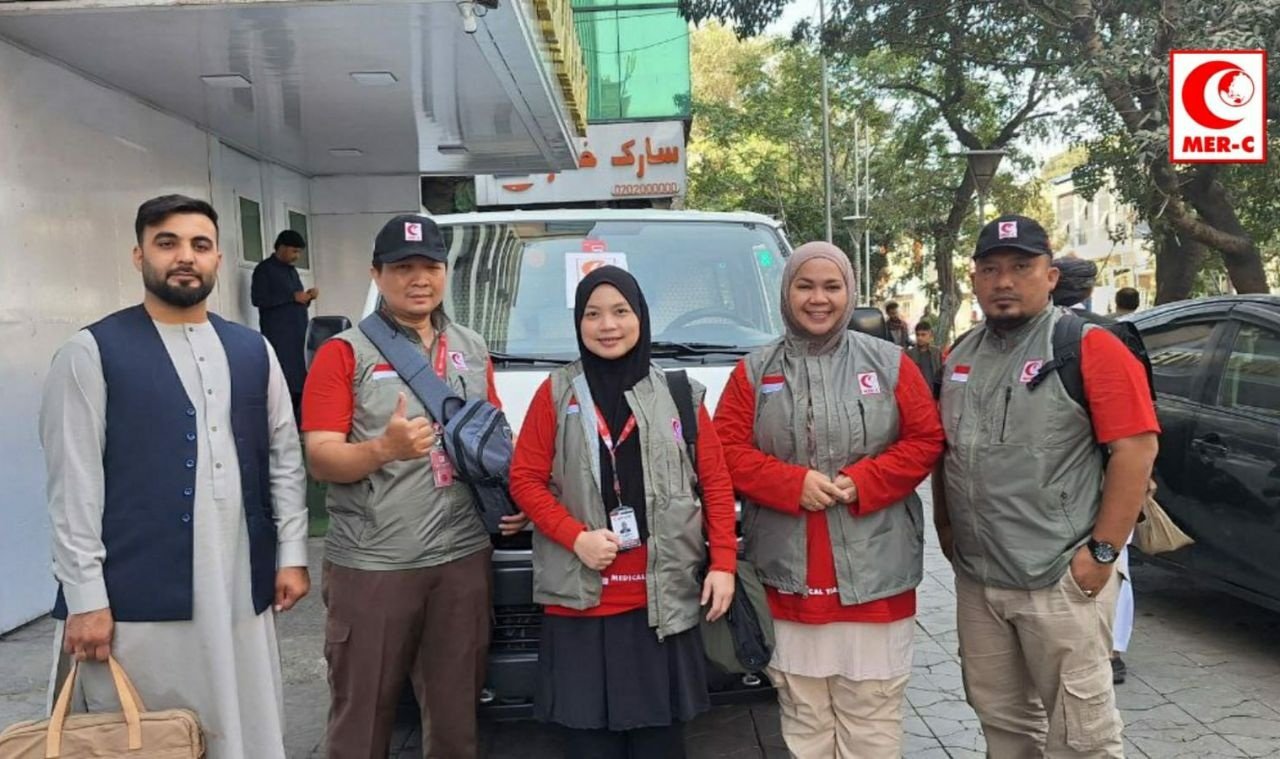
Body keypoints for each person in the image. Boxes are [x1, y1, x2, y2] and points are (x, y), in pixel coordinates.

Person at [40, 194, 310, 759]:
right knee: (147, 737)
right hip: (137, 599)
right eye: (167, 243)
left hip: (243, 587)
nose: (185, 256)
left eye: (200, 245)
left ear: (216, 259)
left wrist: (291, 553)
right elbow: (74, 488)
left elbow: (284, 456)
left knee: (247, 728)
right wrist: (86, 596)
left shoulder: (252, 350)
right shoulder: (91, 352)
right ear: (139, 256)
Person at [933, 214, 1159, 757]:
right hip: (980, 582)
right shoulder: (959, 355)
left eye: (1021, 267)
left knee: (1081, 736)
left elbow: (1137, 449)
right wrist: (945, 527)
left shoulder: (1089, 347)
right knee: (1004, 726)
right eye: (990, 269)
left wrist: (1101, 554)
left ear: (1050, 275)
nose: (1004, 281)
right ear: (975, 279)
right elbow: (946, 452)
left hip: (1059, 579)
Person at [301, 214, 525, 758]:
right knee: (362, 715)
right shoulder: (344, 353)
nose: (418, 278)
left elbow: (490, 438)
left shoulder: (471, 347)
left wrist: (511, 498)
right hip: (376, 564)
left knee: (456, 715)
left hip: (462, 558)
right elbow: (320, 457)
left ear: (445, 273)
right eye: (403, 268)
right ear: (377, 275)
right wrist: (384, 449)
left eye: (430, 266)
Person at [714, 242, 944, 758]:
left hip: (876, 576)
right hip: (788, 573)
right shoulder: (753, 372)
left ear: (850, 293)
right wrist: (789, 483)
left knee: (873, 715)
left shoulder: (889, 364)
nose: (818, 299)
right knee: (804, 714)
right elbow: (723, 450)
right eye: (805, 286)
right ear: (786, 292)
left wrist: (868, 478)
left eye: (832, 286)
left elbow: (926, 439)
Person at [508, 266, 738, 758]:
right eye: (593, 314)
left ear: (641, 318)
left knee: (659, 744)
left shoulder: (679, 393)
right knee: (589, 746)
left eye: (620, 311)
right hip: (581, 605)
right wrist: (575, 537)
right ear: (578, 323)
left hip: (660, 603)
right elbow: (525, 479)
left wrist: (723, 564)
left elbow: (716, 484)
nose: (607, 325)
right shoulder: (556, 392)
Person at [1052, 258, 1136, 687]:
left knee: (1108, 561)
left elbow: (1137, 436)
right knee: (1118, 566)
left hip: (1092, 479)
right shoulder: (1112, 331)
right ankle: (1114, 651)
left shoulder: (1099, 337)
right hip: (1105, 477)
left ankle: (1107, 652)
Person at [252, 229, 315, 425]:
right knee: (284, 377)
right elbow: (258, 299)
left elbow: (297, 300)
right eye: (294, 251)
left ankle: (298, 421)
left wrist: (307, 298)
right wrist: (291, 298)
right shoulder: (264, 269)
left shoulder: (291, 270)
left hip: (298, 331)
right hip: (279, 333)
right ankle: (283, 422)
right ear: (282, 248)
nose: (296, 256)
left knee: (301, 376)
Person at [905, 320, 943, 390]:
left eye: (923, 335)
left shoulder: (936, 353)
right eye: (918, 335)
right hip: (917, 392)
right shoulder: (909, 354)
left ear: (930, 335)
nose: (920, 338)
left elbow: (940, 373)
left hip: (933, 391)